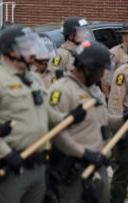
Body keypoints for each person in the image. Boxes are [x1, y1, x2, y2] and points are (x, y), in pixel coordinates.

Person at [0, 26, 87, 203]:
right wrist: (5, 154)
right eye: (26, 47)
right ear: (11, 51)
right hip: (10, 167)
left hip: (38, 165)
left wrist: (68, 118)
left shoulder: (33, 78)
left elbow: (45, 112)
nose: (33, 52)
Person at [47, 41, 124, 203]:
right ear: (87, 68)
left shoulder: (93, 90)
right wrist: (84, 154)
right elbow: (57, 132)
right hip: (73, 169)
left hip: (98, 165)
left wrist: (123, 118)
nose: (102, 75)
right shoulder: (62, 90)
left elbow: (105, 121)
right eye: (101, 71)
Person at [108, 53, 128, 202]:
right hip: (125, 128)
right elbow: (115, 105)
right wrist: (119, 134)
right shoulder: (123, 72)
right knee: (122, 172)